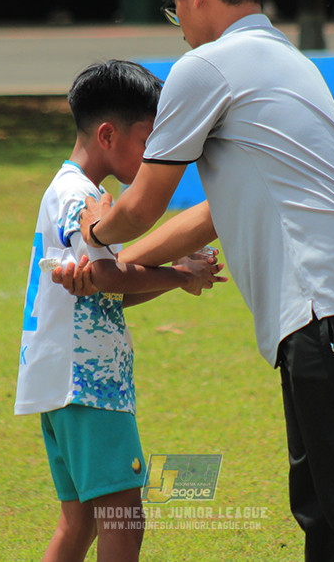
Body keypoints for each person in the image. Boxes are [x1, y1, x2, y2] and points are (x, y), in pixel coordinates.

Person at [64, 0, 334, 561]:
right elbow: (210, 216)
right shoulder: (286, 60)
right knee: (324, 507)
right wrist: (123, 260)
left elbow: (143, 202)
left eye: (173, 1)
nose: (176, 18)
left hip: (328, 305)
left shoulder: (207, 66)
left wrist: (94, 232)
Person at [16, 60, 225, 562]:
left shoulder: (68, 189)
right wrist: (180, 276)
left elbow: (106, 285)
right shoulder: (81, 196)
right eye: (149, 139)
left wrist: (174, 274)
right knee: (123, 520)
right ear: (108, 134)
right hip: (87, 381)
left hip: (59, 377)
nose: (156, 154)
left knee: (81, 521)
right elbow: (108, 276)